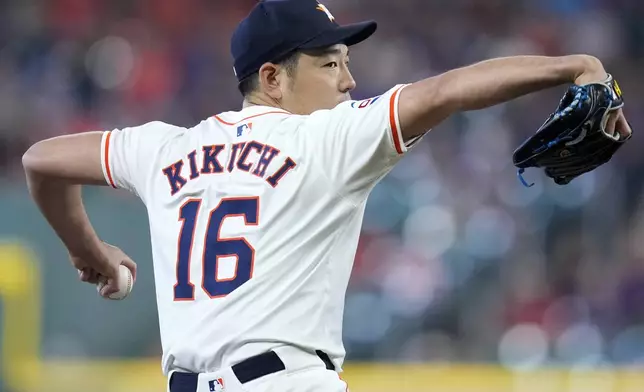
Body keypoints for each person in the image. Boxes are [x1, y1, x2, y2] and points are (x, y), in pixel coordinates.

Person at [22, 0, 632, 391]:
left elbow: (42, 161)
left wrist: (92, 252)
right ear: (272, 78)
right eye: (331, 63)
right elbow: (447, 90)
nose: (349, 79)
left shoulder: (165, 148)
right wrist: (571, 65)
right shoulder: (327, 137)